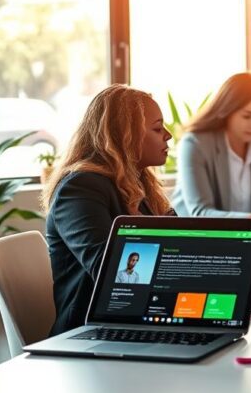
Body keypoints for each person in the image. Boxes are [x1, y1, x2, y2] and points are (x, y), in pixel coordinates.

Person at [43, 85, 173, 335]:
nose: (167, 135)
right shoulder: (79, 188)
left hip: (141, 318)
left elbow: (183, 241)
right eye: (157, 128)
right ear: (124, 135)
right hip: (91, 332)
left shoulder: (141, 184)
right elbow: (110, 271)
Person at [171, 72, 251, 220]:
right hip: (197, 238)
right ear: (227, 110)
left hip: (249, 239)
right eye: (247, 116)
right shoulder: (194, 144)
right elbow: (201, 213)